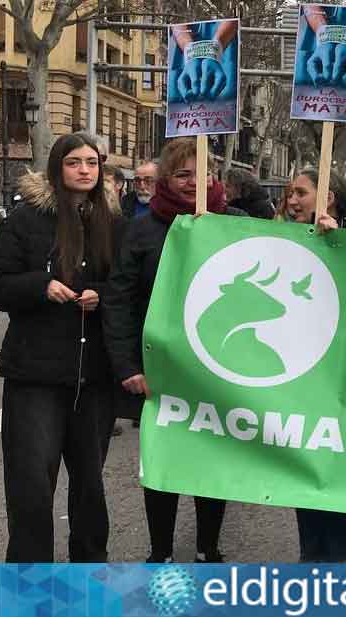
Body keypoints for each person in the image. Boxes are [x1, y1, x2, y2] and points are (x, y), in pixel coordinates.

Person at [0, 133, 124, 562]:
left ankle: (87, 577)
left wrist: (100, 293)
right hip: (35, 377)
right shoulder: (26, 221)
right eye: (74, 162)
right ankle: (29, 582)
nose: (84, 170)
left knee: (89, 490)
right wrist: (41, 285)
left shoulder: (115, 224)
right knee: (30, 489)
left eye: (92, 163)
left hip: (93, 376)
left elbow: (127, 288)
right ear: (57, 169)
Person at [102, 137, 243, 563]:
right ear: (166, 179)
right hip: (158, 369)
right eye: (183, 174)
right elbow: (119, 300)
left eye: (203, 173)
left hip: (219, 367)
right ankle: (159, 551)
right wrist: (128, 366)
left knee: (211, 463)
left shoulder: (237, 223)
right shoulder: (141, 231)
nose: (193, 182)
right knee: (162, 463)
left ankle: (208, 548)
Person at [278, 167, 346, 562]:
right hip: (301, 372)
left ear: (327, 197)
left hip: (344, 377)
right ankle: (312, 553)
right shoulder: (279, 237)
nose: (291, 200)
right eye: (289, 193)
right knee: (307, 464)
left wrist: (340, 245)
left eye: (300, 193)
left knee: (342, 464)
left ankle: (339, 556)